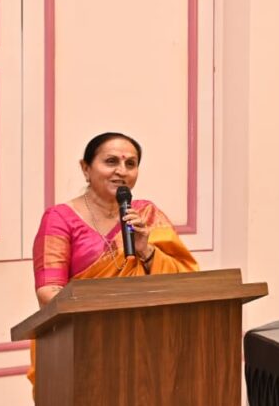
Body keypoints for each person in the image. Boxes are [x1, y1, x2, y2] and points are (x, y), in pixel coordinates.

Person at [29, 132, 200, 389]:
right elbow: (48, 293)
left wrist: (146, 250)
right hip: (84, 347)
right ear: (85, 168)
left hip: (150, 345)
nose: (122, 171)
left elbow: (187, 280)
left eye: (130, 163)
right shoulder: (59, 218)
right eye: (111, 161)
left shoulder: (147, 214)